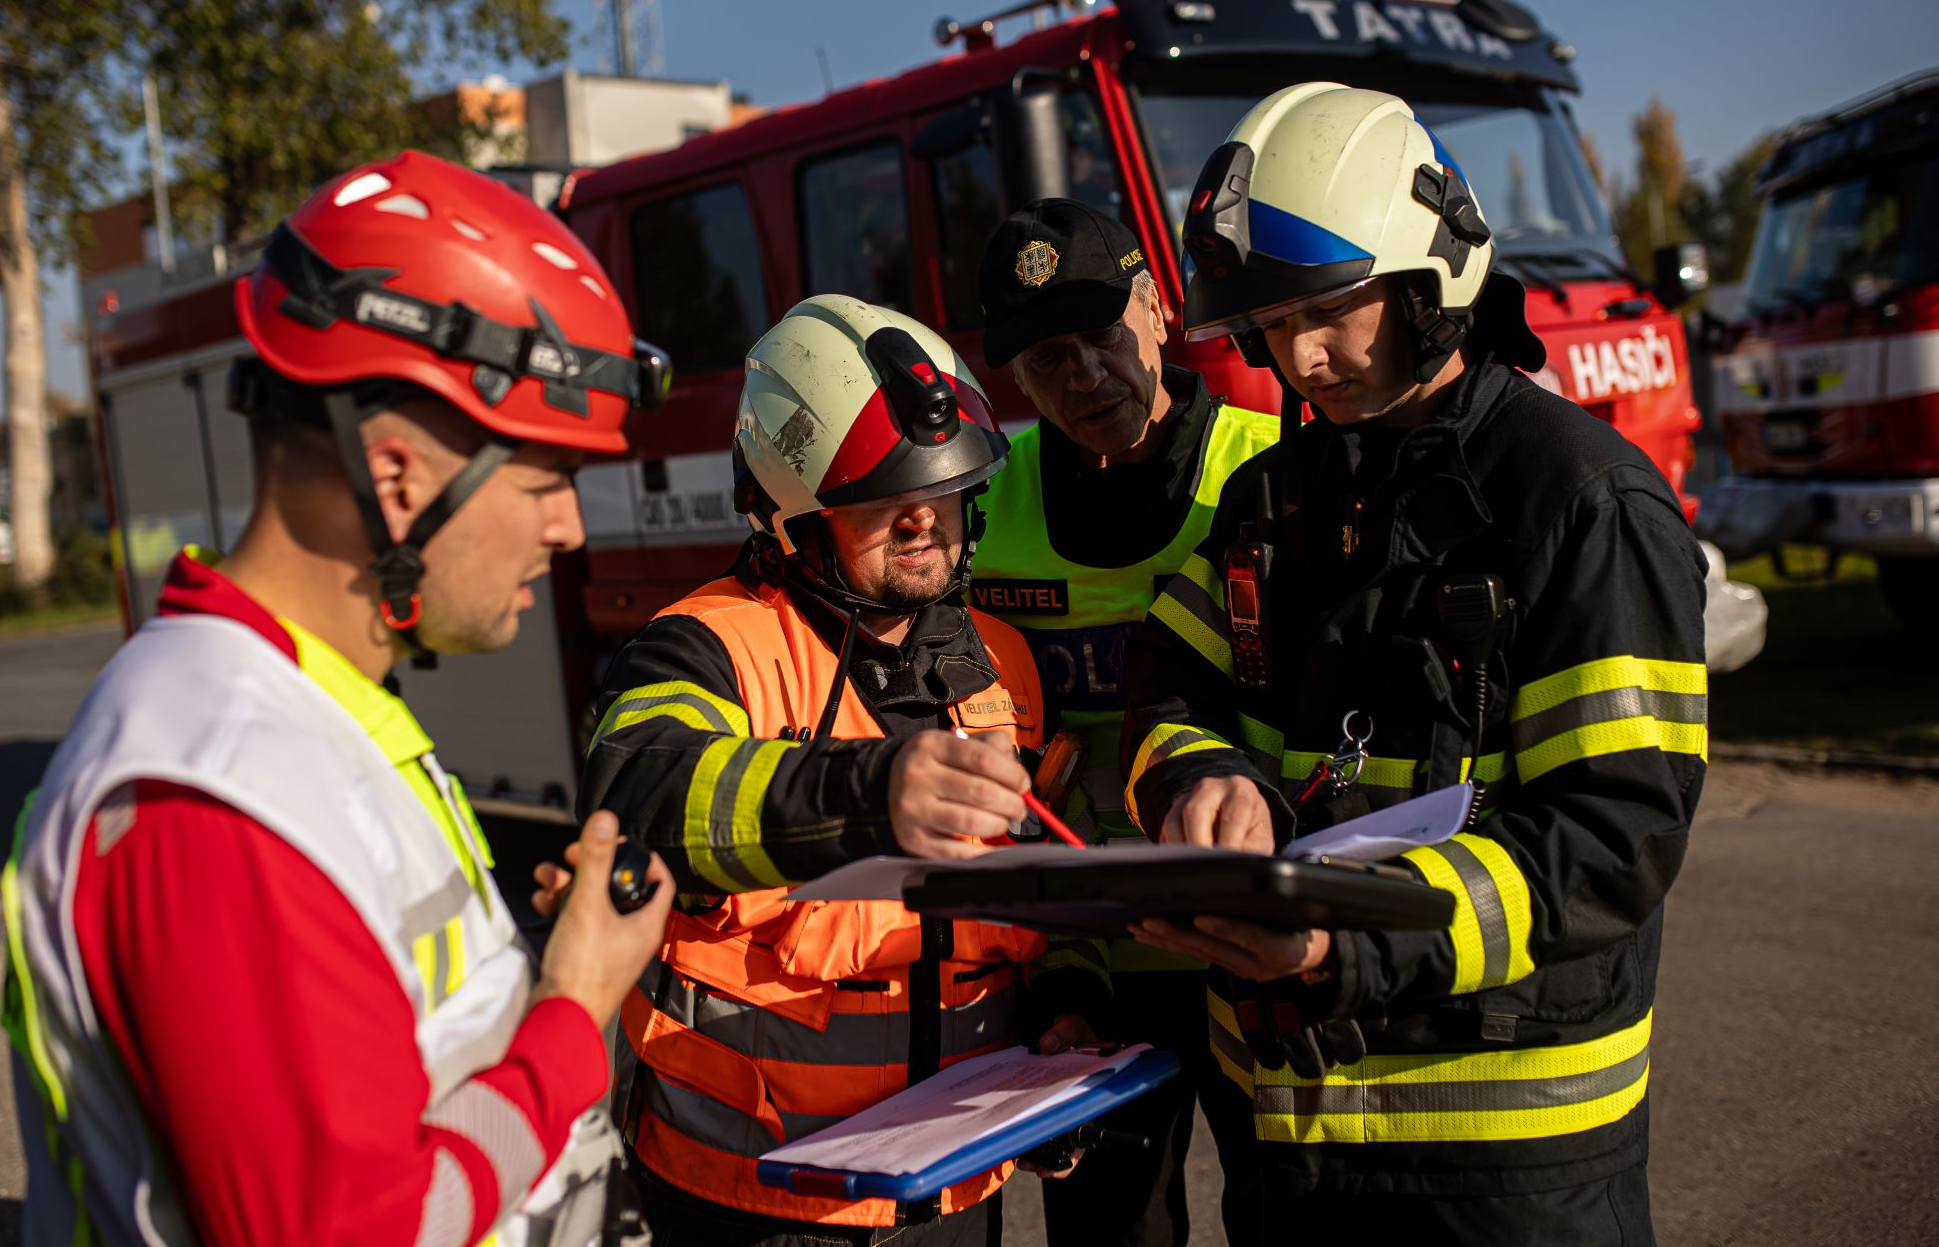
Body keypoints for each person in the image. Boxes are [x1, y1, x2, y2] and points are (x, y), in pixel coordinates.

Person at [1, 151, 677, 1247]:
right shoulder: (212, 793)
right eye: (548, 481)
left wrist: (530, 976)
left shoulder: (300, 710)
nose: (570, 531)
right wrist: (569, 1014)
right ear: (399, 474)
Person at [1121, 83, 1708, 1245]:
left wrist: (1352, 939)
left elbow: (1613, 834)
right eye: (1270, 322)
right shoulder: (1272, 503)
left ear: (1430, 276)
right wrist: (1198, 778)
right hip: (1295, 1138)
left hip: (1504, 1168)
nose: (1299, 355)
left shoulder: (1583, 502)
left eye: (1331, 309)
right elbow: (1171, 683)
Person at [572, 294, 1099, 1246]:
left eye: (941, 487)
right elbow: (637, 796)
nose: (923, 520)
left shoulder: (1005, 665)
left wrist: (1069, 1008)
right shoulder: (702, 649)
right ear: (789, 516)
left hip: (959, 1192)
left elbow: (1053, 893)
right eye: (878, 500)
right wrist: (863, 791)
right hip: (751, 1204)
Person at [968, 198, 1277, 1247]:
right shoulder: (981, 511)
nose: (1084, 377)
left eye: (1100, 336)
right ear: (1013, 380)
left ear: (1157, 309)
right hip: (1087, 960)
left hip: (1255, 943)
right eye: (1045, 360)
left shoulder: (1266, 471)